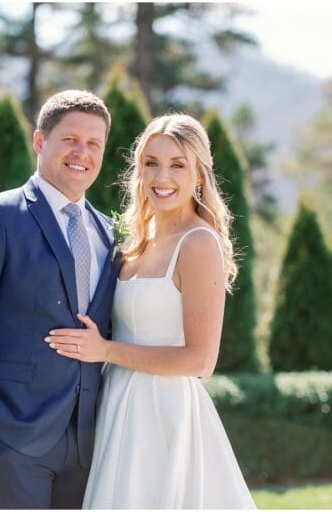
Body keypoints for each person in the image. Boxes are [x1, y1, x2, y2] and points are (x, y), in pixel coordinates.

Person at [46, 113, 257, 509]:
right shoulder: (137, 241)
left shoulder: (198, 244)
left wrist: (105, 351)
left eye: (178, 165)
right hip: (115, 406)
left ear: (198, 175)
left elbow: (201, 360)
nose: (162, 177)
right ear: (138, 171)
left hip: (163, 416)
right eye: (151, 164)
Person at [0, 90, 122, 509]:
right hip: (10, 438)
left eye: (94, 144)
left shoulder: (110, 233)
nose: (81, 153)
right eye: (69, 139)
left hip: (89, 443)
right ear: (39, 141)